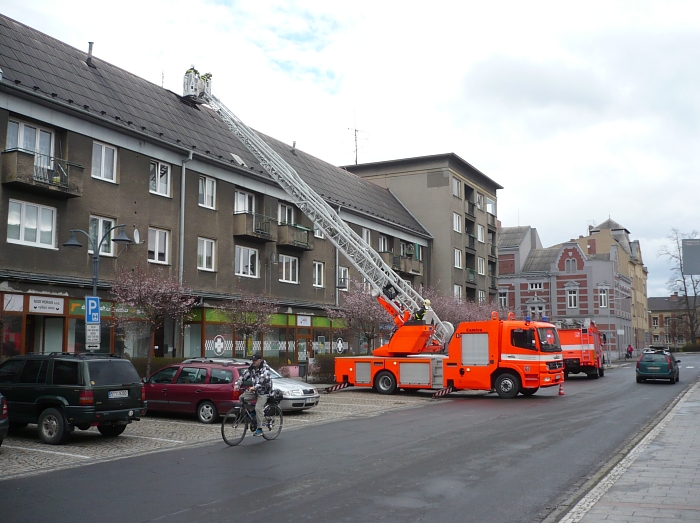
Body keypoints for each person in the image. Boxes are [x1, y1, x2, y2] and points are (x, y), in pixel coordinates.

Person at [236, 353, 273, 437]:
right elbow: (244, 376)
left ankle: (259, 429)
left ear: (260, 361)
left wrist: (254, 387)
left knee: (258, 408)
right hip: (255, 390)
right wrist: (237, 384)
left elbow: (263, 380)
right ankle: (252, 411)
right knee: (242, 398)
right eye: (252, 360)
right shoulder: (252, 368)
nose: (253, 362)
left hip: (264, 391)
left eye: (255, 360)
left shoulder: (265, 368)